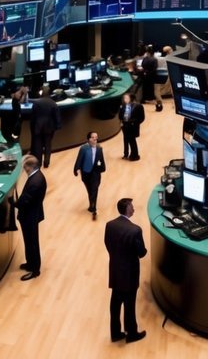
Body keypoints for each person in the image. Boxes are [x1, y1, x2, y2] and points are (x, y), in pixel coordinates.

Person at [105, 197, 148, 343]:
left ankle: (115, 333)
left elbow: (108, 245)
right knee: (130, 305)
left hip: (116, 271)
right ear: (128, 209)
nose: (134, 208)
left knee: (115, 304)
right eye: (132, 206)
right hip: (129, 274)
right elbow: (141, 253)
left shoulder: (110, 225)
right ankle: (131, 334)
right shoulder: (135, 230)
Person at [16, 155, 47, 281]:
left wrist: (13, 203)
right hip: (31, 214)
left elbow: (25, 200)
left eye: (24, 167)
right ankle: (30, 263)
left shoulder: (35, 181)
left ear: (29, 167)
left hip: (30, 216)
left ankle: (35, 270)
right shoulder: (37, 175)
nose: (24, 169)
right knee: (29, 241)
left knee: (32, 242)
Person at [74, 130, 107, 220]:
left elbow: (101, 159)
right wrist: (76, 169)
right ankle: (91, 204)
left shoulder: (99, 148)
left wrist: (102, 167)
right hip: (85, 172)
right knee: (90, 189)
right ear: (89, 139)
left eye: (96, 137)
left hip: (96, 172)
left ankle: (93, 207)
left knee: (94, 189)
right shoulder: (83, 148)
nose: (95, 139)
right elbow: (79, 159)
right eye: (93, 137)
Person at [30, 86, 61, 168]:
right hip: (49, 128)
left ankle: (38, 163)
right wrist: (57, 127)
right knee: (48, 145)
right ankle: (46, 163)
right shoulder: (53, 103)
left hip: (38, 127)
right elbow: (57, 117)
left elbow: (33, 116)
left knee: (38, 146)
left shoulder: (37, 103)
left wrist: (32, 127)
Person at [118, 92, 145, 160]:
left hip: (132, 126)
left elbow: (141, 118)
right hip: (125, 126)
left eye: (126, 98)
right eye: (124, 98)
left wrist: (134, 123)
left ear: (131, 98)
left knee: (132, 141)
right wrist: (121, 122)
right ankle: (125, 154)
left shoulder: (138, 106)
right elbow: (120, 115)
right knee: (125, 140)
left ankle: (134, 155)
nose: (124, 99)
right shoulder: (123, 106)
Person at [138, 44, 161, 111]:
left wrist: (145, 72)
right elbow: (154, 69)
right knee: (151, 87)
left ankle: (144, 99)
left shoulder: (145, 59)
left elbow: (142, 65)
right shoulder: (154, 59)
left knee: (145, 87)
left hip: (145, 76)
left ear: (147, 52)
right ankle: (151, 99)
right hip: (152, 76)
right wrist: (149, 73)